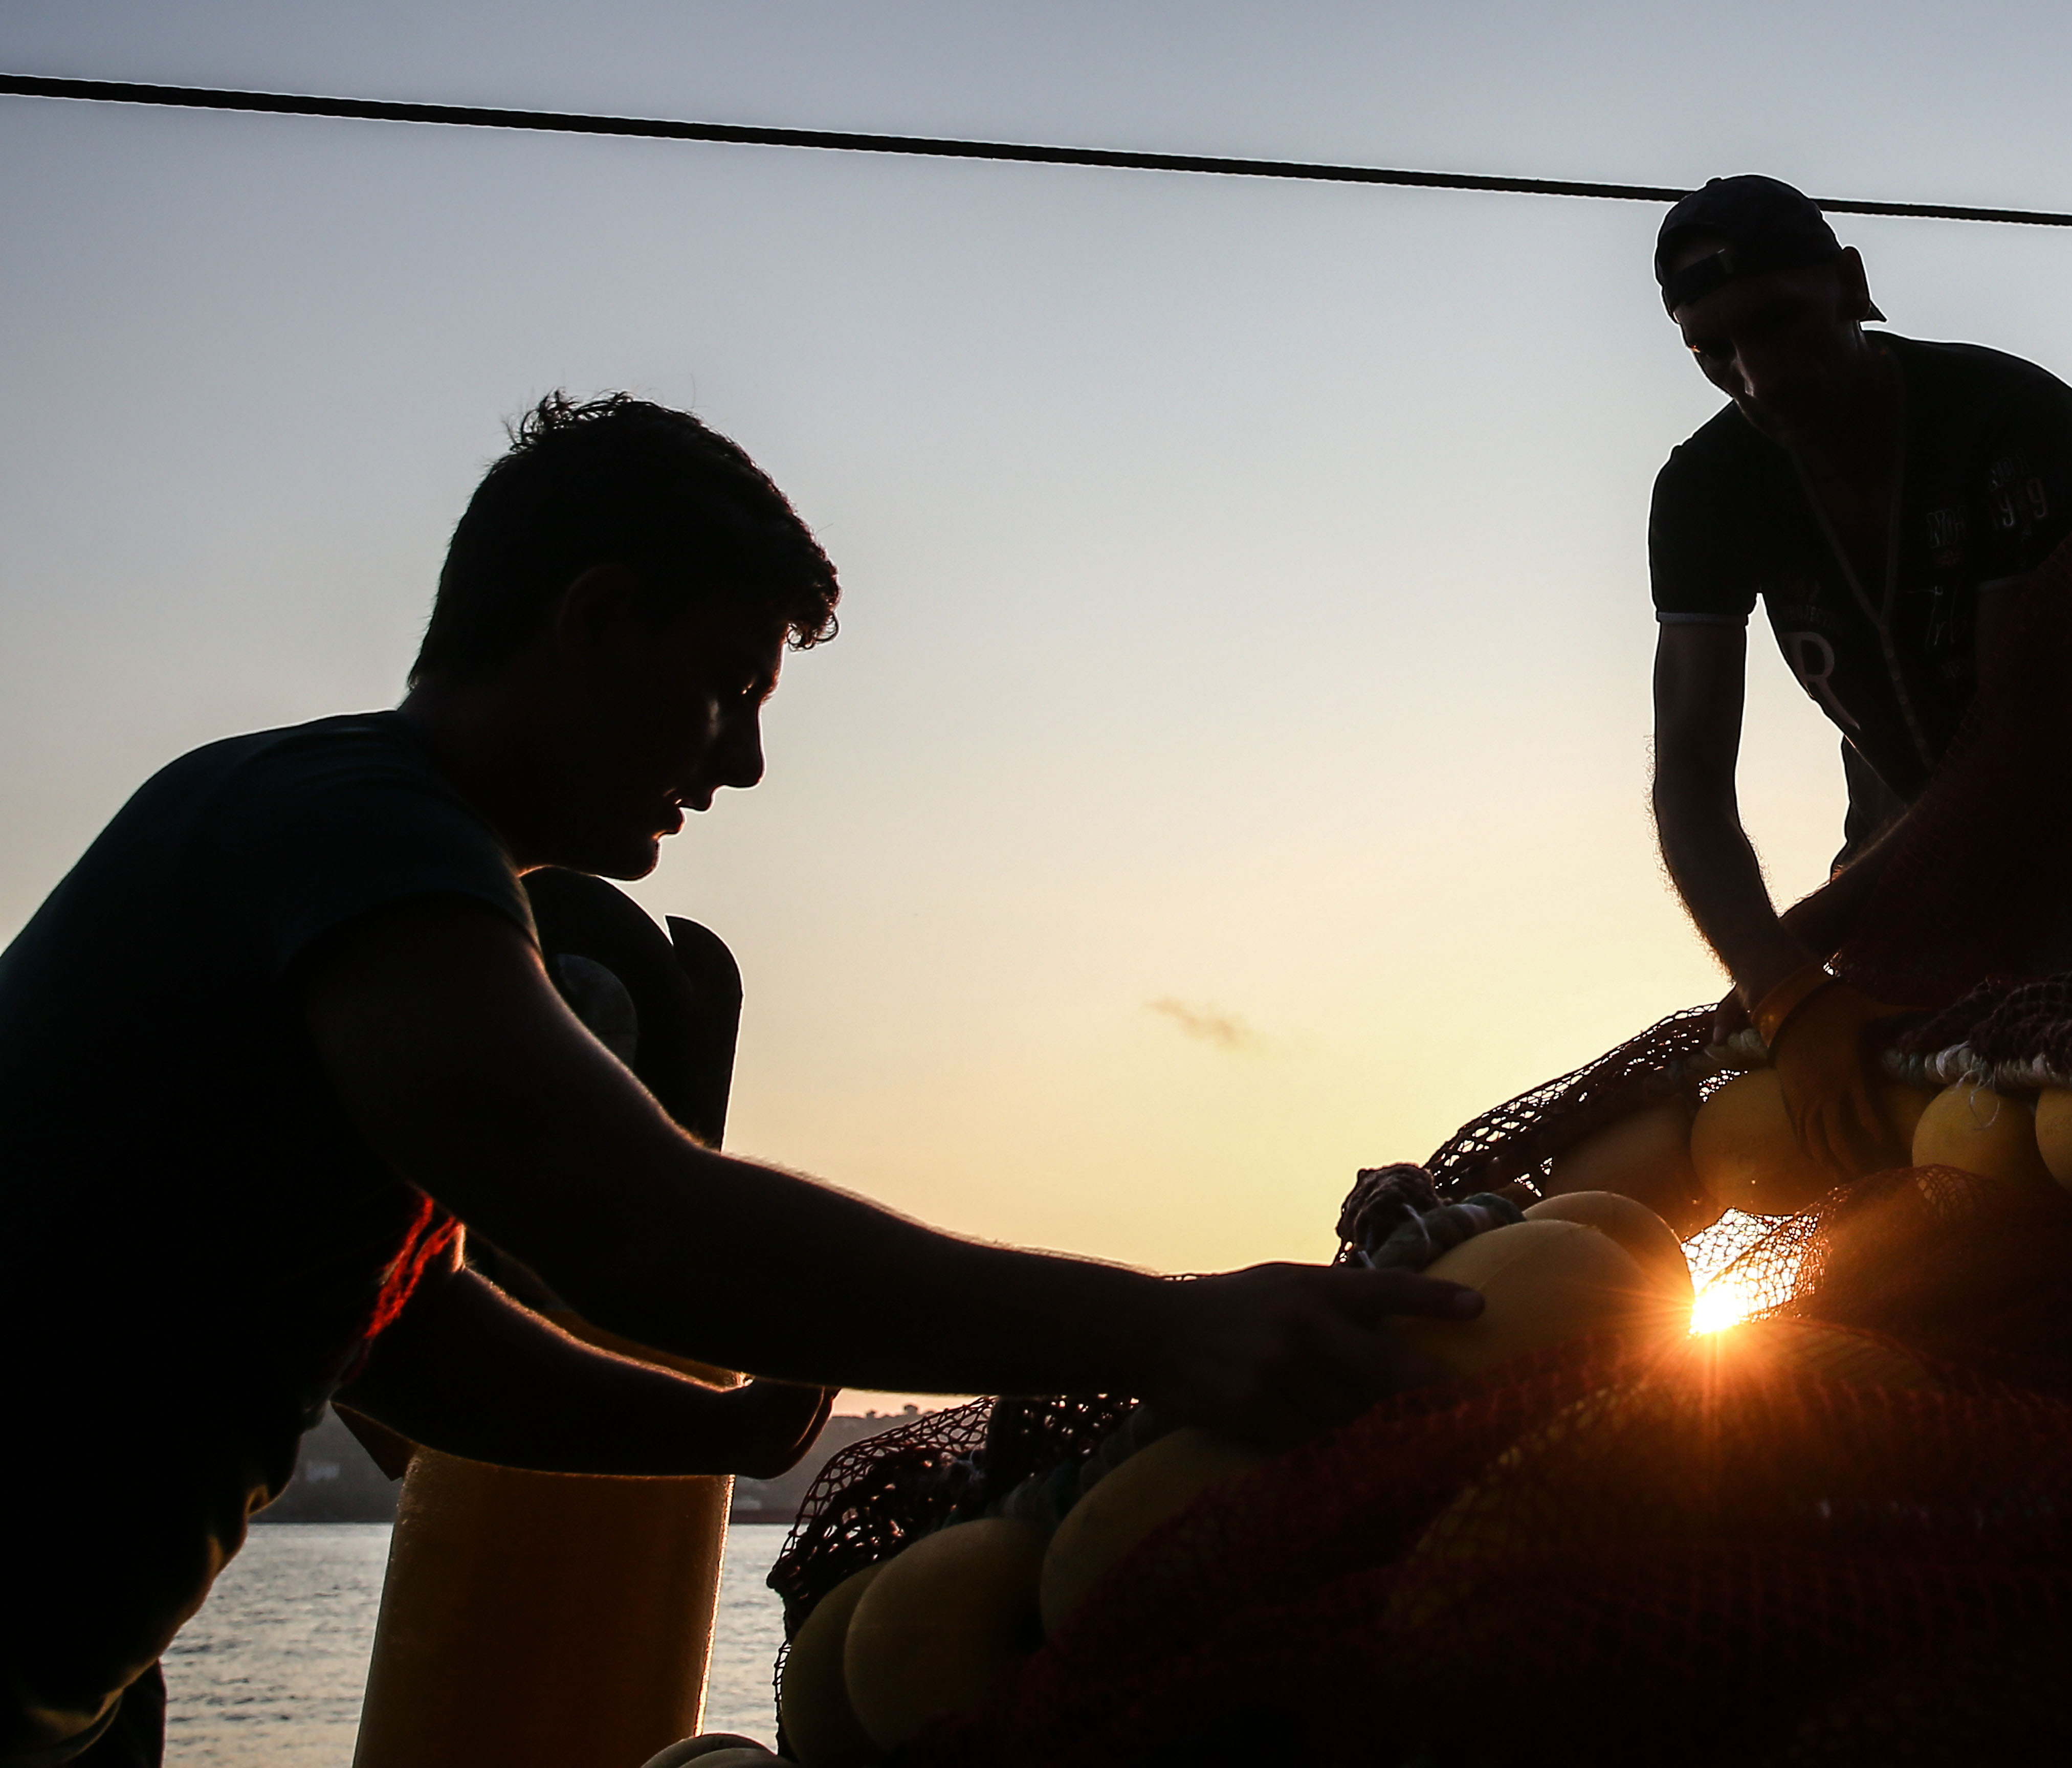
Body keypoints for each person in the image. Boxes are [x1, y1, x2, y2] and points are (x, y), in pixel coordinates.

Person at [0, 395, 1476, 1767]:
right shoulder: (359, 834)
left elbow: (388, 1325)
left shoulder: (326, 844)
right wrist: (1173, 1331)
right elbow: (635, 1224)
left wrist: (721, 1432)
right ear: (595, 619)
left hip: (78, 1700)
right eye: (725, 689)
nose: (748, 762)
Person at [1641, 176, 2072, 1191]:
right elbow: (1687, 777)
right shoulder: (1704, 491)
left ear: (1851, 284)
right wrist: (1788, 996)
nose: (1759, 379)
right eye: (1715, 352)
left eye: (1778, 323)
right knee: (1926, 1166)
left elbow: (2020, 744)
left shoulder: (2010, 416)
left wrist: (1804, 948)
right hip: (1900, 823)